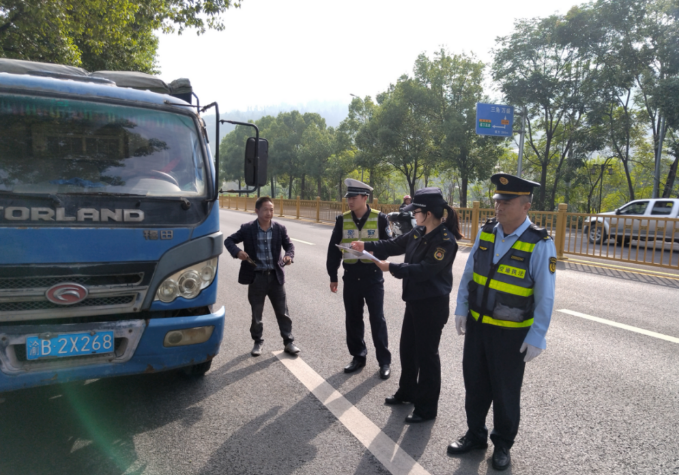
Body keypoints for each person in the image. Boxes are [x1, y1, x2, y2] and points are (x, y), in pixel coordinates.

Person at [447, 173, 557, 471]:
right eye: (498, 201)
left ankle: (503, 444)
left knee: (505, 391)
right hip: (478, 325)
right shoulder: (487, 232)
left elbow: (545, 295)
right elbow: (469, 274)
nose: (499, 206)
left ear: (526, 206)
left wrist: (537, 335)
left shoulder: (539, 243)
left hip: (511, 334)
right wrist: (461, 308)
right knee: (475, 385)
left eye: (507, 202)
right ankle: (475, 434)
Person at [351, 187, 462, 423]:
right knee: (408, 350)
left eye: (416, 211)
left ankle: (426, 408)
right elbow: (393, 245)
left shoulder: (444, 241)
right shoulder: (418, 231)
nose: (413, 215)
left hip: (431, 305)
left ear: (428, 213)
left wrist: (391, 267)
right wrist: (366, 246)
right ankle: (407, 392)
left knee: (427, 356)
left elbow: (424, 270)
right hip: (414, 301)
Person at [326, 178, 393, 379]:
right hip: (351, 277)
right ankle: (358, 356)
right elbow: (333, 249)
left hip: (372, 277)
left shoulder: (380, 219)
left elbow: (389, 245)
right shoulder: (342, 220)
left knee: (377, 319)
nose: (350, 201)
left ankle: (384, 361)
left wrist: (372, 250)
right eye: (348, 198)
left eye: (354, 198)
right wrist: (333, 275)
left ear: (365, 198)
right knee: (353, 318)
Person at [224, 196, 300, 357]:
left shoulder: (279, 228)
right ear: (257, 211)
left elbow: (289, 245)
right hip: (256, 277)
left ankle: (289, 342)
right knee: (257, 314)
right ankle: (258, 342)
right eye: (265, 209)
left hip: (275, 277)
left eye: (271, 210)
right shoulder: (247, 228)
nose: (269, 213)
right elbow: (229, 241)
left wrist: (289, 256)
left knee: (283, 312)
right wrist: (237, 252)